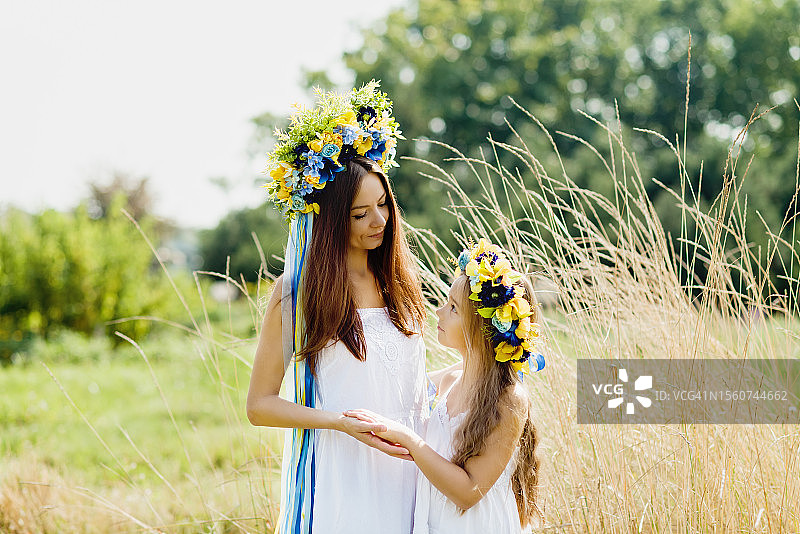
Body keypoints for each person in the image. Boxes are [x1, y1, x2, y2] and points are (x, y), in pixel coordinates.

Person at [246, 83, 428, 533]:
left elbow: (406, 381)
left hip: (412, 471)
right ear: (330, 219)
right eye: (360, 213)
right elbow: (259, 405)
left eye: (384, 205)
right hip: (344, 478)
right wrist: (337, 423)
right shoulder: (298, 293)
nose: (379, 220)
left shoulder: (399, 282)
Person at [345, 238, 545, 533]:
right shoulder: (451, 381)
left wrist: (410, 442)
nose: (439, 312)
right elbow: (393, 388)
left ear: (481, 327)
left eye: (453, 308)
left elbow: (468, 493)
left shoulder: (509, 399)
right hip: (437, 523)